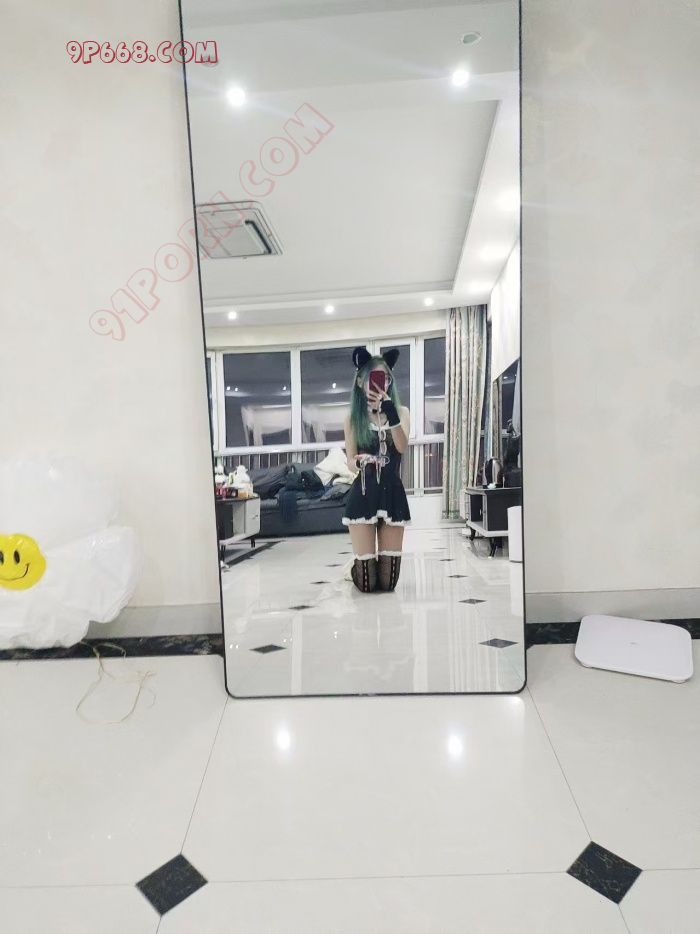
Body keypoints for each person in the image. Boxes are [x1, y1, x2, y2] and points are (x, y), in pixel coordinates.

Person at [342, 346, 411, 592]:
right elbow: (350, 461)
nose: (381, 384)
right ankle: (356, 567)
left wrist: (390, 412)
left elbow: (401, 447)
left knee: (388, 582)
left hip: (392, 493)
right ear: (360, 381)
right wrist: (359, 462)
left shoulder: (401, 412)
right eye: (374, 378)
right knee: (367, 583)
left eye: (385, 378)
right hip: (363, 493)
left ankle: (373, 560)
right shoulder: (353, 418)